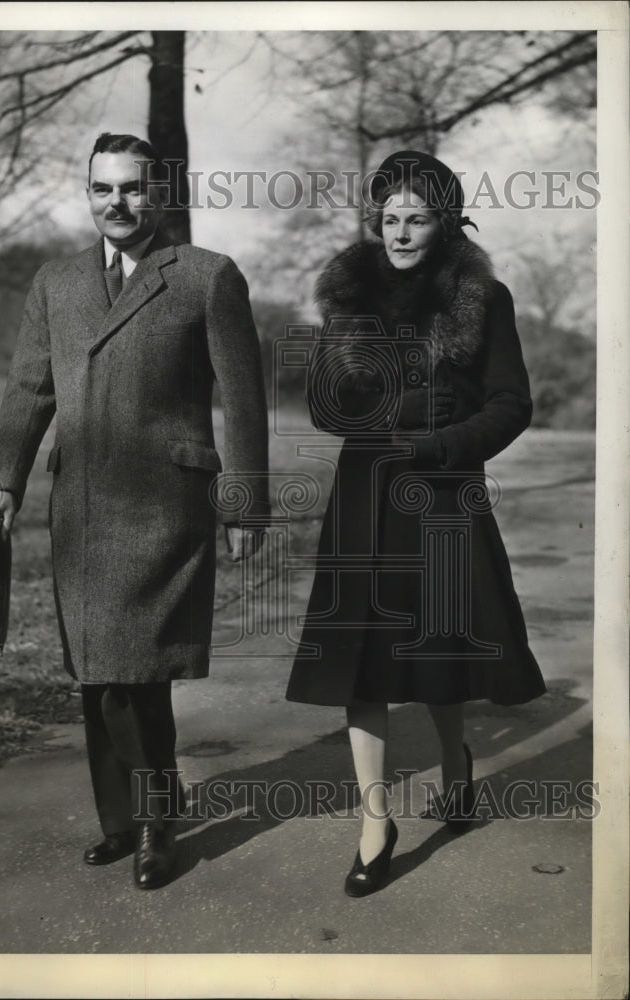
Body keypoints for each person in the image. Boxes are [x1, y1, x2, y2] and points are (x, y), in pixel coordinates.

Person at [0, 133, 269, 890]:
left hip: (165, 508)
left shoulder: (205, 276)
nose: (118, 203)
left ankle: (153, 824)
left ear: (158, 193)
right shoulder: (57, 282)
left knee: (134, 671)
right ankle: (122, 821)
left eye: (133, 188)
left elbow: (243, 400)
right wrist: (3, 481)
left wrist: (243, 504)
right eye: (103, 189)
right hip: (78, 507)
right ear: (88, 194)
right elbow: (29, 390)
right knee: (98, 670)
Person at [286, 150, 546, 897]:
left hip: (440, 496)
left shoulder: (481, 297)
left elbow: (511, 402)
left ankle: (455, 762)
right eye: (390, 218)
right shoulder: (348, 296)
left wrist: (445, 443)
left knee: (437, 648)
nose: (399, 233)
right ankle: (375, 824)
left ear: (446, 222)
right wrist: (389, 411)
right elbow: (323, 407)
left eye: (417, 219)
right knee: (360, 663)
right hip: (364, 495)